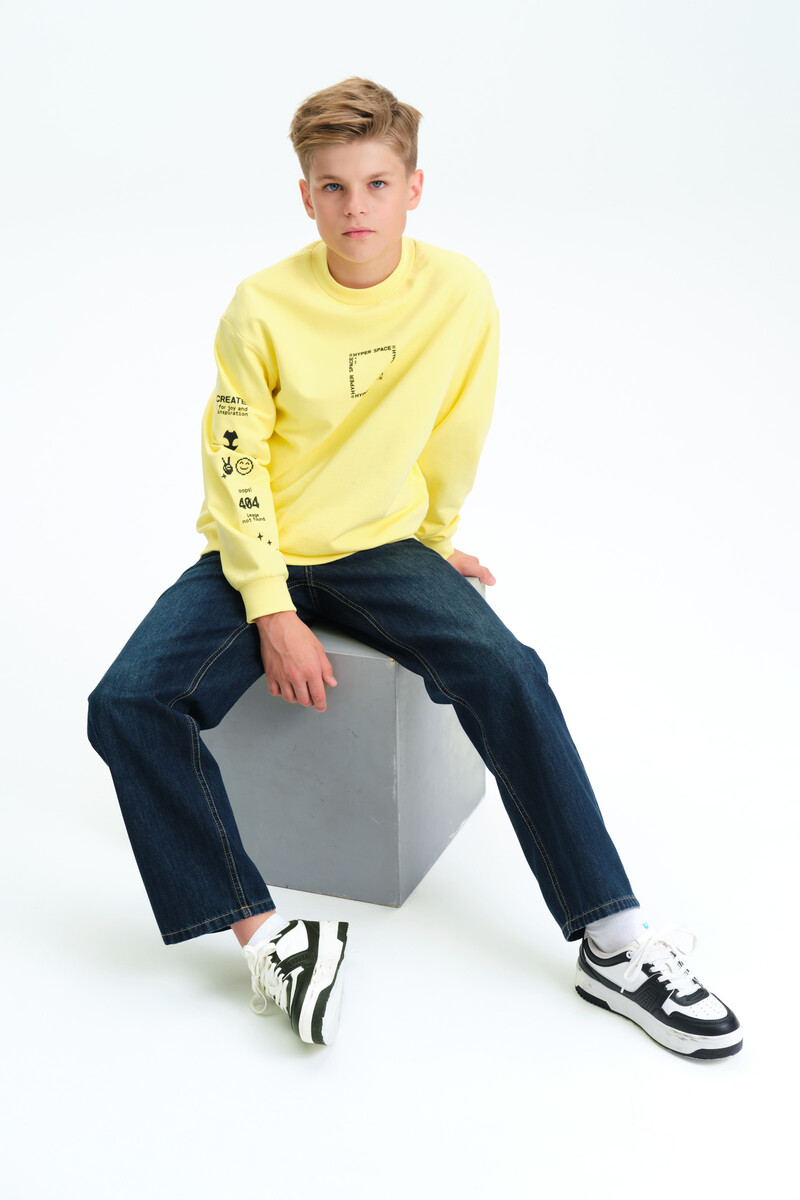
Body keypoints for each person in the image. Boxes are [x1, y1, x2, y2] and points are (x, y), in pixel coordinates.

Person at [87, 77, 742, 1058]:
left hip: (385, 547)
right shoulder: (261, 305)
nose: (356, 207)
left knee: (507, 670)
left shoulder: (458, 293)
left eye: (377, 184)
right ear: (305, 196)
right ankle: (272, 939)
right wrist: (270, 606)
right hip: (257, 549)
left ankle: (612, 939)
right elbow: (235, 464)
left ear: (414, 188)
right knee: (125, 703)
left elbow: (453, 430)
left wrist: (433, 543)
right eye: (334, 187)